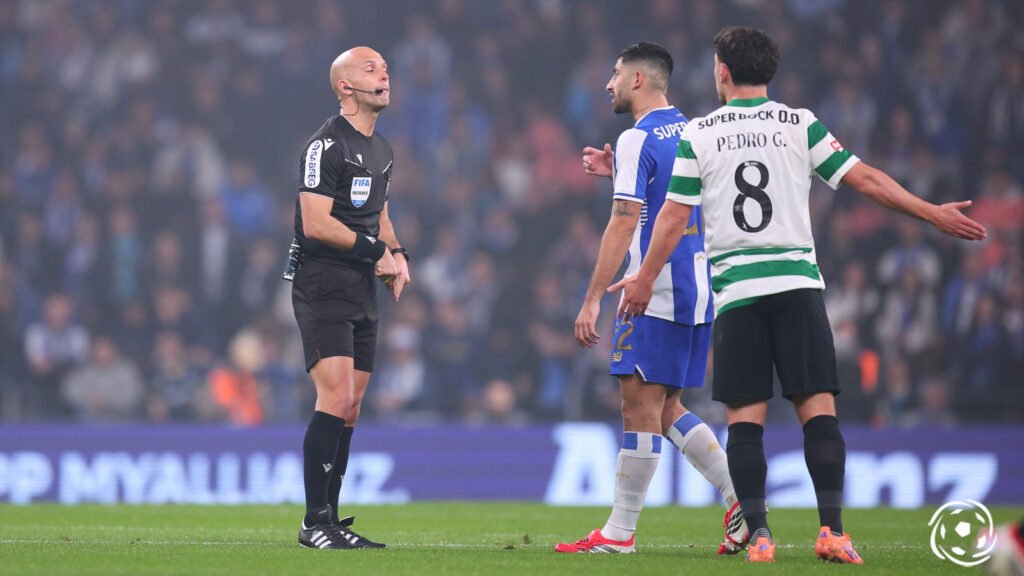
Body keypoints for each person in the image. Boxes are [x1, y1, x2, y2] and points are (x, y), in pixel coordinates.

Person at [612, 27, 986, 563]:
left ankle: (760, 536)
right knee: (819, 411)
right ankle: (832, 531)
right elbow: (867, 180)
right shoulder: (799, 123)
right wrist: (931, 213)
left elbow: (672, 217)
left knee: (746, 418)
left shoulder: (702, 133)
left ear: (722, 71)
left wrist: (645, 276)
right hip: (798, 286)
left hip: (739, 292)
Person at [555, 42, 747, 556]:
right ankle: (740, 498)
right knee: (667, 407)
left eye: (615, 73)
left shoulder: (639, 138)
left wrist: (592, 298)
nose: (608, 83)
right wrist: (619, 168)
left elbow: (624, 221)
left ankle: (619, 535)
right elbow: (675, 194)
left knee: (637, 404)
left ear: (638, 79)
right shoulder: (692, 129)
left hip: (653, 287)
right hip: (699, 286)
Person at [284, 46, 411, 550]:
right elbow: (315, 224)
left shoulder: (382, 149)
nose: (383, 73)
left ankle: (331, 519)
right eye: (370, 68)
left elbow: (379, 213)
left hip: (361, 284)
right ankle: (314, 522)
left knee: (353, 406)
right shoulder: (324, 146)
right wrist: (375, 250)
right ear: (345, 87)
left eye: (384, 67)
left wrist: (397, 253)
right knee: (334, 396)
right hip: (323, 282)